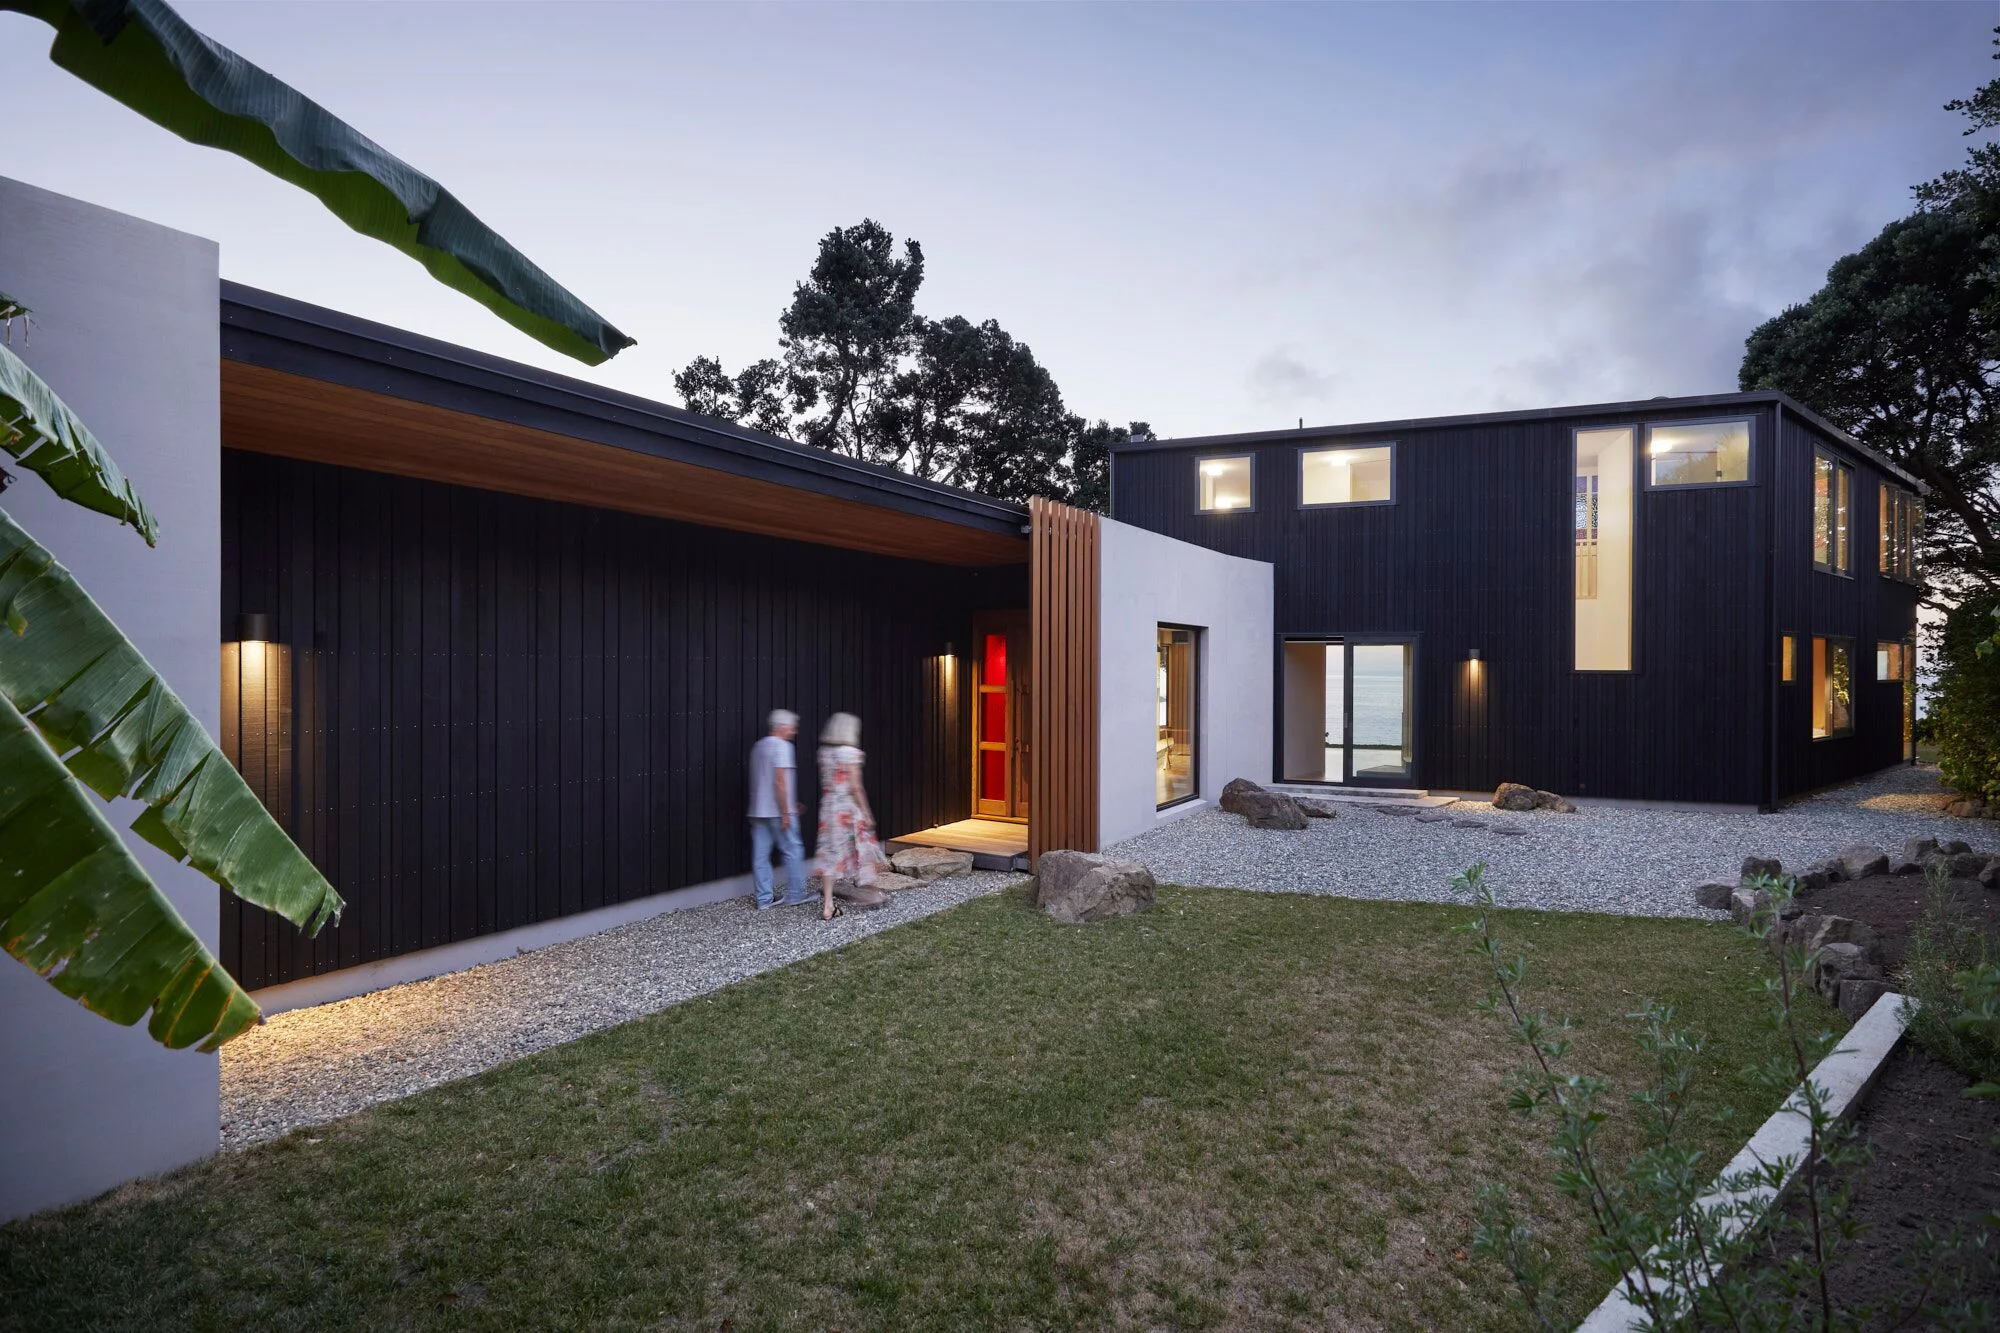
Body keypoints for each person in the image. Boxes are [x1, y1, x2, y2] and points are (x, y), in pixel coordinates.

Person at [811, 712, 890, 921]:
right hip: (847, 808)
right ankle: (871, 894)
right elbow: (856, 787)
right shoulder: (850, 753)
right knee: (864, 848)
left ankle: (828, 905)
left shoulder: (825, 753)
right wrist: (867, 813)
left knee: (830, 853)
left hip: (828, 808)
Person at [747, 709, 809, 910]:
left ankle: (764, 899)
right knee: (793, 850)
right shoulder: (783, 746)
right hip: (778, 811)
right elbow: (779, 781)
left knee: (760, 856)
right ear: (782, 727)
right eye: (792, 726)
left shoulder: (758, 747)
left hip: (758, 810)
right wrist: (785, 811)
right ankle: (797, 894)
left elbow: (762, 779)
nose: (795, 730)